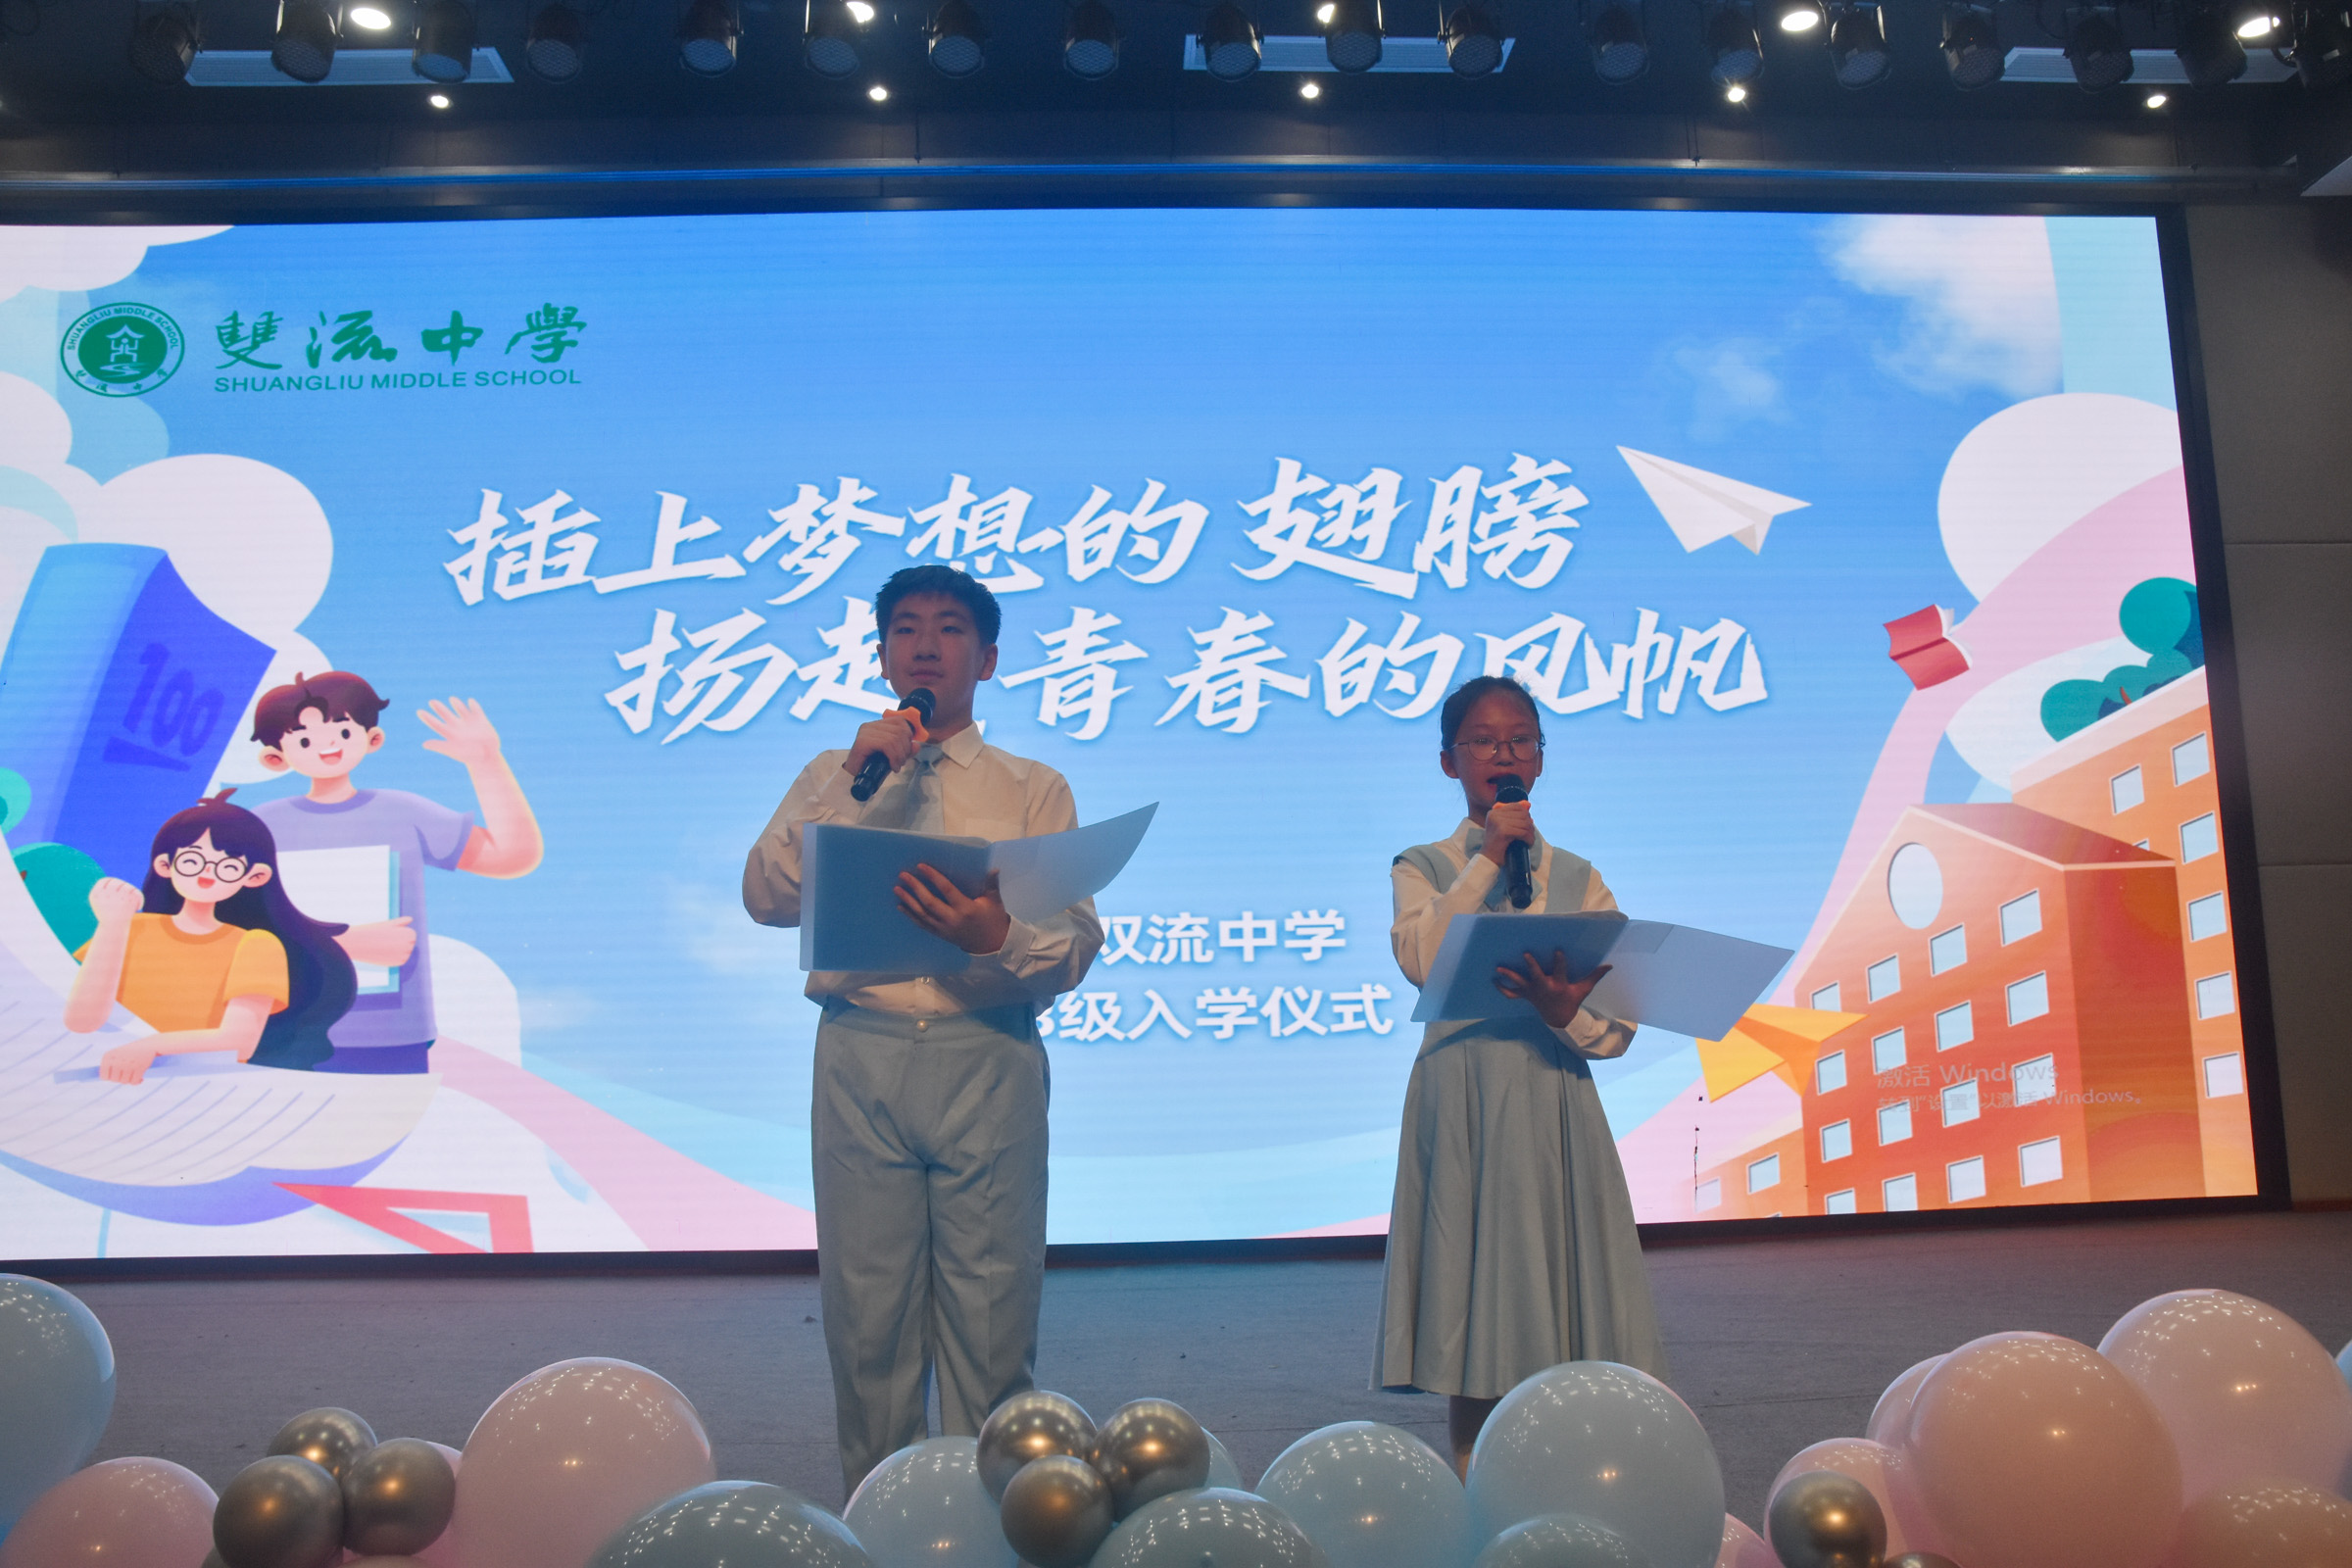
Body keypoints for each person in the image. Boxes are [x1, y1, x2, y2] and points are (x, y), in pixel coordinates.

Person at [742, 564, 1104, 1494]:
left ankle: (995, 1521)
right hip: (860, 1049)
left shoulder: (1032, 788)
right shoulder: (836, 774)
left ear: (986, 659)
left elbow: (1072, 948)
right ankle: (881, 1516)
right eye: (905, 629)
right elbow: (767, 895)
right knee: (868, 1320)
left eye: (948, 630)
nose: (925, 647)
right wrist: (854, 788)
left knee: (992, 1315)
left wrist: (995, 936)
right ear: (881, 655)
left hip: (988, 1050)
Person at [1372, 673, 1669, 1478]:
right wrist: (1487, 861)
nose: (1503, 755)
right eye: (1483, 742)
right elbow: (1424, 960)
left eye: (1520, 741)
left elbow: (1617, 1027)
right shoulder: (1422, 866)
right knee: (1478, 1314)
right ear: (1449, 762)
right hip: (1462, 1100)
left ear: (1540, 759)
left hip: (1551, 1100)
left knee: (1570, 1299)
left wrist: (1564, 1012)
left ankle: (1584, 1480)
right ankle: (1479, 1485)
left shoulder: (1579, 877)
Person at [249, 671, 543, 1074]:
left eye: (343, 731)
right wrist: (341, 943)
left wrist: (486, 761)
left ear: (373, 739)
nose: (329, 746)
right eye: (303, 740)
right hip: (284, 1030)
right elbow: (233, 923)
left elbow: (511, 856)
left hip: (388, 1033)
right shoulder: (261, 826)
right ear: (275, 758)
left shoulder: (404, 812)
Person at [66, 791, 358, 1084]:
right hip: (106, 1078)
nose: (207, 874)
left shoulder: (256, 945)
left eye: (228, 867)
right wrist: (112, 925)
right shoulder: (130, 928)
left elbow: (239, 1042)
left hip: (202, 1084)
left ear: (255, 876)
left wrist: (150, 1047)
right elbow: (82, 1021)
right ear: (165, 865)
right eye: (192, 861)